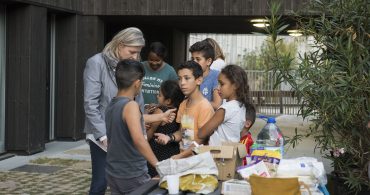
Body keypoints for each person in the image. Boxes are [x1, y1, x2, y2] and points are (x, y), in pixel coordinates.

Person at [83, 27, 175, 195]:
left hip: (125, 136)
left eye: (138, 53)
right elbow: (90, 104)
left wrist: (146, 120)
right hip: (101, 135)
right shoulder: (96, 63)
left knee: (117, 180)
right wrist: (104, 136)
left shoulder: (133, 68)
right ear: (119, 44)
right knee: (100, 182)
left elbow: (137, 107)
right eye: (132, 51)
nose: (136, 57)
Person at [105, 59, 158, 194]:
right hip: (132, 173)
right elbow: (138, 140)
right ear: (137, 83)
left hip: (113, 171)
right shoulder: (131, 105)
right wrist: (158, 165)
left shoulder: (111, 104)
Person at [155, 61, 214, 159]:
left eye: (187, 78)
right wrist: (169, 137)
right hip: (183, 156)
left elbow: (201, 140)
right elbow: (182, 132)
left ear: (199, 80)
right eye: (179, 79)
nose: (182, 83)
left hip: (197, 160)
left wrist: (180, 156)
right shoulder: (183, 104)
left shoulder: (205, 107)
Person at [198, 65, 251, 146]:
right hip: (232, 153)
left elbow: (201, 133)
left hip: (219, 155)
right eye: (218, 84)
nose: (218, 88)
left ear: (235, 85)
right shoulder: (241, 107)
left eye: (222, 84)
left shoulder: (225, 109)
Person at [146, 80, 185, 177]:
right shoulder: (179, 111)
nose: (157, 96)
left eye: (159, 95)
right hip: (172, 153)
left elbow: (148, 135)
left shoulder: (160, 112)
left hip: (157, 153)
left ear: (168, 101)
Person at [189, 40, 222, 110]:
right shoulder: (189, 75)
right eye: (192, 59)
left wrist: (196, 101)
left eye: (198, 59)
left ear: (208, 61)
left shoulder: (216, 76)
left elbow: (217, 104)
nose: (194, 62)